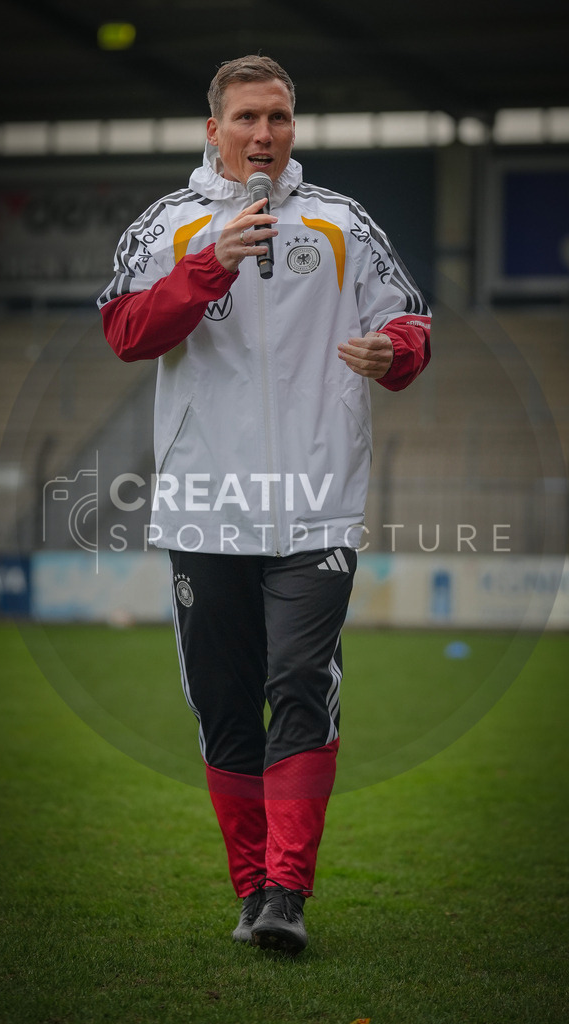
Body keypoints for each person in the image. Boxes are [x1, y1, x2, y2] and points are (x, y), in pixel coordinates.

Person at [98, 55, 431, 954]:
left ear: (293, 127)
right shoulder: (169, 226)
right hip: (206, 505)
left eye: (279, 118)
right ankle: (252, 890)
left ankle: (286, 892)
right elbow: (125, 331)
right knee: (222, 703)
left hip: (316, 505)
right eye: (246, 118)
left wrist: (392, 352)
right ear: (214, 129)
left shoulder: (341, 223)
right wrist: (206, 267)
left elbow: (410, 321)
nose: (263, 135)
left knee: (298, 687)